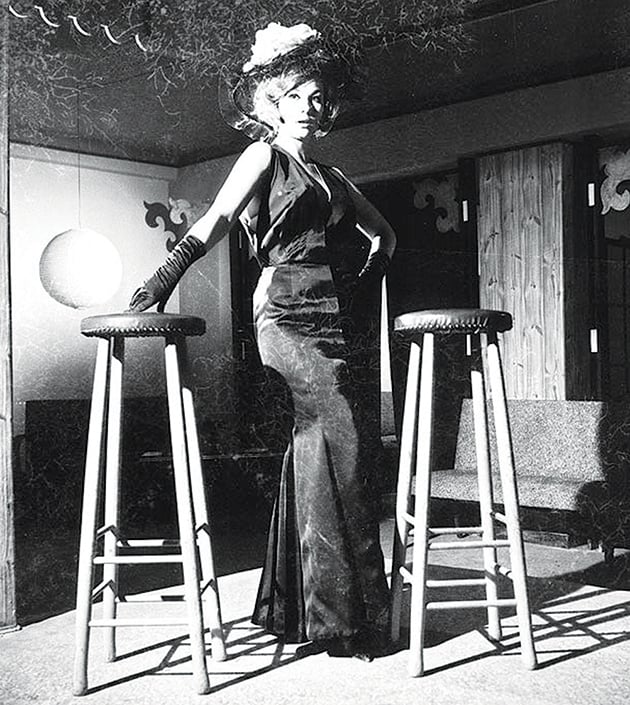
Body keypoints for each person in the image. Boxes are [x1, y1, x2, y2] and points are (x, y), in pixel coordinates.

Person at [128, 21, 397, 661]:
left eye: (317, 97)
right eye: (294, 95)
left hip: (335, 318)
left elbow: (384, 236)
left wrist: (361, 285)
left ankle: (296, 609)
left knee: (321, 446)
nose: (308, 106)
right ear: (272, 102)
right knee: (341, 437)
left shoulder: (332, 175)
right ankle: (341, 619)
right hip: (284, 315)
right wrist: (164, 276)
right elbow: (219, 218)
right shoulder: (262, 156)